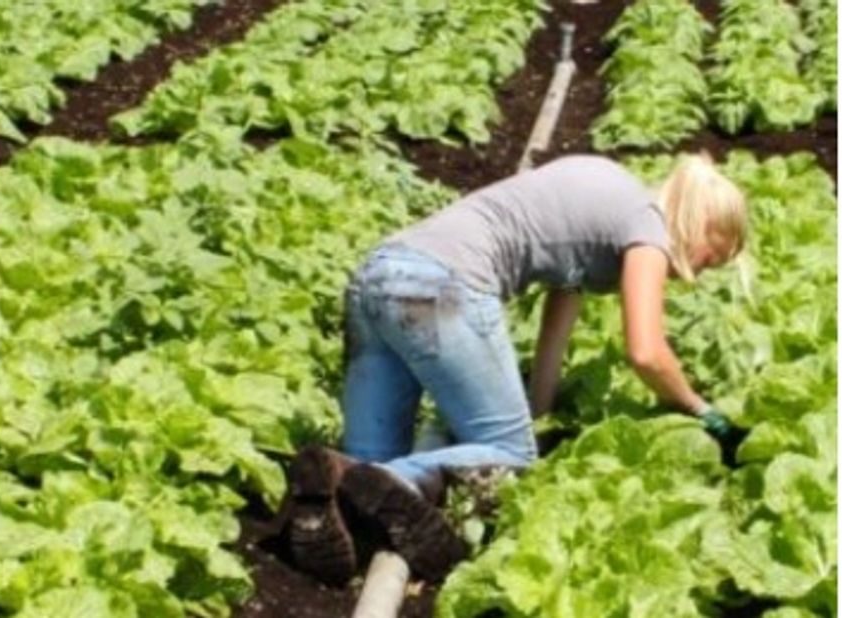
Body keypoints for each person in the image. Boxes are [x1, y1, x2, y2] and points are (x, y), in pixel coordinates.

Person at [286, 154, 747, 586]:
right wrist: (699, 408)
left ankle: (328, 483)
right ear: (702, 223)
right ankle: (374, 484)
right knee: (505, 454)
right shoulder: (649, 225)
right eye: (714, 256)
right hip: (439, 288)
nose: (703, 271)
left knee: (370, 472)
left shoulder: (616, 199)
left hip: (378, 277)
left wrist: (537, 422)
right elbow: (646, 351)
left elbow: (558, 323)